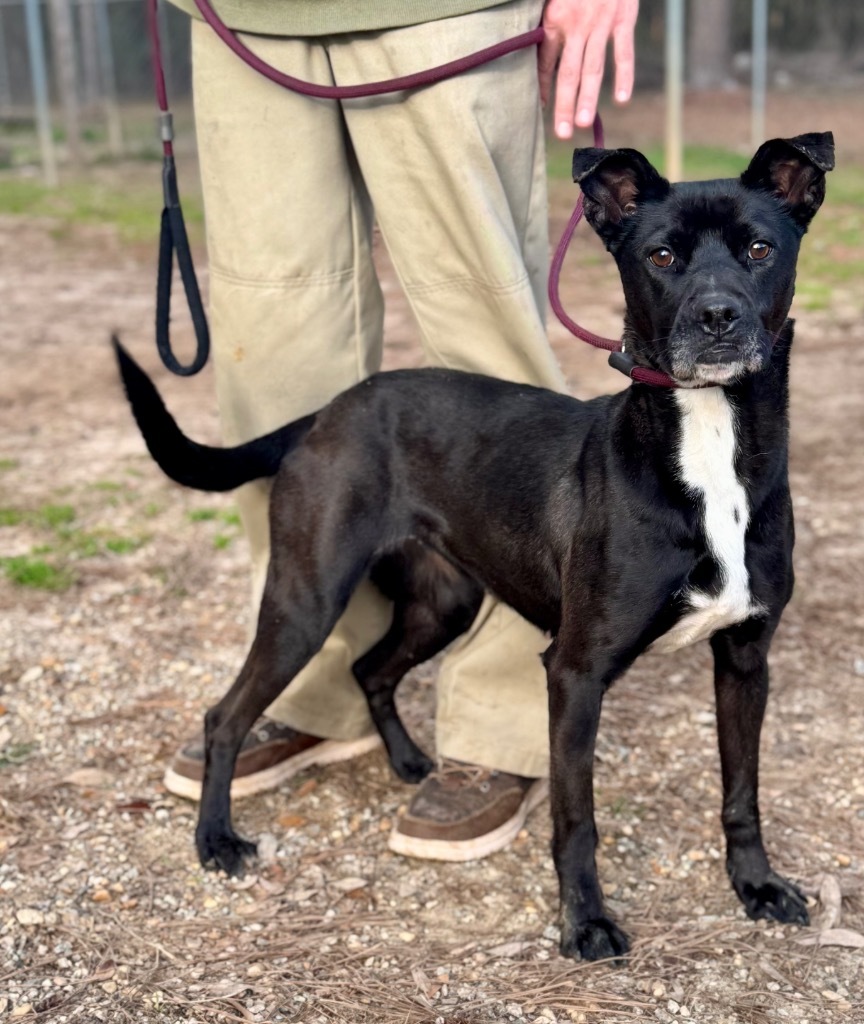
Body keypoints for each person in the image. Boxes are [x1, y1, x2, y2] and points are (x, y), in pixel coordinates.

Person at [162, 0, 639, 861]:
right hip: (241, 16)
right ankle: (314, 683)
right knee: (273, 357)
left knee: (487, 343)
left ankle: (501, 723)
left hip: (452, 11)